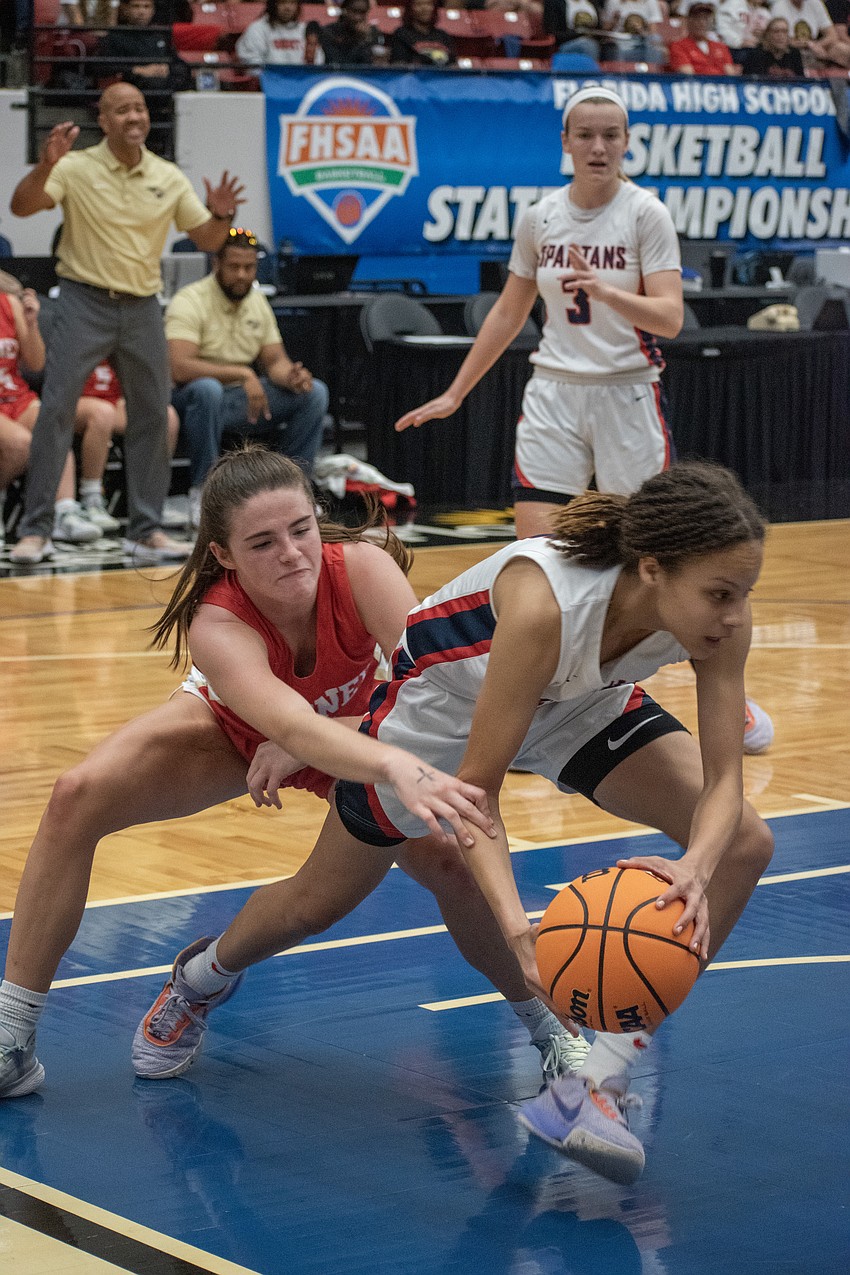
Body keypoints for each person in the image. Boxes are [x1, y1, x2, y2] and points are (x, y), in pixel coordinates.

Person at [131, 460, 775, 1186]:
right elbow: (479, 795)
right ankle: (200, 976)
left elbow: (727, 780)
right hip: (435, 716)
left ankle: (592, 1080)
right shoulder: (545, 605)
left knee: (745, 842)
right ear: (653, 570)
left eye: (741, 594)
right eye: (720, 594)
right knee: (319, 899)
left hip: (584, 700)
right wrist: (519, 929)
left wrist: (696, 869)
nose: (733, 613)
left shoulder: (723, 617)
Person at [0, 444, 579, 1101]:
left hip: (356, 734)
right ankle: (12, 1035)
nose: (293, 553)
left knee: (438, 863)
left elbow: (435, 696)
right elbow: (290, 723)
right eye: (263, 542)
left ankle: (554, 1034)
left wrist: (312, 745)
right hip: (238, 734)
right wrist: (306, 741)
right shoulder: (216, 621)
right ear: (223, 555)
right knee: (76, 795)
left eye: (302, 528)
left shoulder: (363, 567)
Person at [395, 87, 773, 754]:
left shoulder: (645, 214)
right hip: (555, 390)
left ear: (627, 142)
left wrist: (605, 291)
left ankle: (727, 700)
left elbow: (671, 318)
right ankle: (533, 698)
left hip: (627, 392)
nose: (599, 147)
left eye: (611, 135)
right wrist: (456, 392)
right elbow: (509, 314)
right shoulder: (540, 218)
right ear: (565, 143)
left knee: (659, 558)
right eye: (587, 135)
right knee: (538, 553)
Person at [8, 83, 246, 566]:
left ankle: (146, 529)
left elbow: (206, 237)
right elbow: (22, 207)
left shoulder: (167, 175)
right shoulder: (75, 167)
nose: (134, 116)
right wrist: (47, 164)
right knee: (56, 410)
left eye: (139, 108)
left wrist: (223, 214)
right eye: (122, 110)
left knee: (154, 415)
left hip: (141, 306)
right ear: (104, 119)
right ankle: (36, 529)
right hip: (82, 299)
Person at [166, 227, 329, 530]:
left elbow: (275, 361)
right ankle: (203, 495)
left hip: (242, 399)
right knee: (208, 390)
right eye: (234, 267)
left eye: (249, 267)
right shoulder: (190, 300)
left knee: (315, 392)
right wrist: (242, 373)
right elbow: (179, 367)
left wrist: (292, 376)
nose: (242, 275)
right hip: (192, 399)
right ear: (216, 264)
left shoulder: (256, 301)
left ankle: (294, 491)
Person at [0, 284, 102, 549]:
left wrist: (31, 323)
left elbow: (35, 364)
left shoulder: (9, 304)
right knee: (21, 444)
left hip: (14, 395)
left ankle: (64, 511)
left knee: (53, 427)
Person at [73, 361, 182, 534]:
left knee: (166, 415)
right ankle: (91, 499)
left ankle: (152, 500)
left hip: (113, 400)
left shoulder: (121, 338)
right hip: (73, 401)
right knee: (103, 414)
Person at [99, 0, 193, 96]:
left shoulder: (160, 35)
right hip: (134, 84)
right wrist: (137, 70)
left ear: (153, 10)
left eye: (146, 7)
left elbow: (176, 60)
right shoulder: (114, 37)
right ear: (126, 9)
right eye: (136, 6)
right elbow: (103, 66)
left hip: (164, 81)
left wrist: (167, 68)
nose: (141, 12)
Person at [235, 0, 326, 66]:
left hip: (301, 83)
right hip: (269, 84)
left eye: (292, 3)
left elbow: (318, 61)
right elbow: (251, 63)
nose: (288, 8)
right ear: (273, 4)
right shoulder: (258, 28)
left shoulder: (305, 29)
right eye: (283, 2)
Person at [667, 2, 737, 72]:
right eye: (697, 18)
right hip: (696, 82)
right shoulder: (678, 46)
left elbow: (730, 74)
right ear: (689, 21)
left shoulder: (721, 47)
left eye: (706, 19)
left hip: (721, 82)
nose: (702, 23)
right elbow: (687, 74)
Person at [388, 0, 456, 65]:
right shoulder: (401, 34)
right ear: (410, 8)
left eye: (429, 4)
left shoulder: (443, 35)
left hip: (442, 76)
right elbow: (399, 65)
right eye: (419, 4)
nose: (424, 8)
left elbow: (453, 65)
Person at [320, 0, 385, 65]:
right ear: (345, 10)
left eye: (362, 12)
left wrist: (365, 39)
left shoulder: (372, 33)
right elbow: (337, 62)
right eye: (354, 11)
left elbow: (370, 64)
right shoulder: (331, 32)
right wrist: (359, 40)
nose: (358, 17)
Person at [600, 0, 666, 63]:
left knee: (656, 38)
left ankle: (653, 70)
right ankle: (619, 72)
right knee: (613, 46)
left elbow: (653, 31)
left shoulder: (650, 2)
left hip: (642, 39)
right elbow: (606, 30)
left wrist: (641, 31)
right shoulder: (613, 2)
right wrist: (614, 21)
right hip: (620, 39)